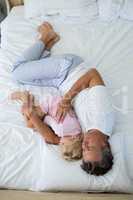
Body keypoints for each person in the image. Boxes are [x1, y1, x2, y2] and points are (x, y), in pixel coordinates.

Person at [11, 22, 115, 176]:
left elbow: (55, 139)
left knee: (22, 81)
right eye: (90, 147)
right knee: (17, 72)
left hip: (59, 84)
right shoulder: (102, 115)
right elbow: (93, 74)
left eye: (84, 150)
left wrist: (36, 117)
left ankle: (47, 48)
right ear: (105, 145)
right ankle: (47, 37)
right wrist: (67, 99)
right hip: (69, 69)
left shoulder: (91, 134)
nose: (84, 145)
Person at [11, 91, 83, 161]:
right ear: (73, 139)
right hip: (51, 104)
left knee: (35, 117)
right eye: (63, 144)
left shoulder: (78, 130)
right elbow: (48, 119)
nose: (60, 143)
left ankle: (30, 100)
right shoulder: (61, 132)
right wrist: (42, 122)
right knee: (30, 124)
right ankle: (24, 97)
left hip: (59, 101)